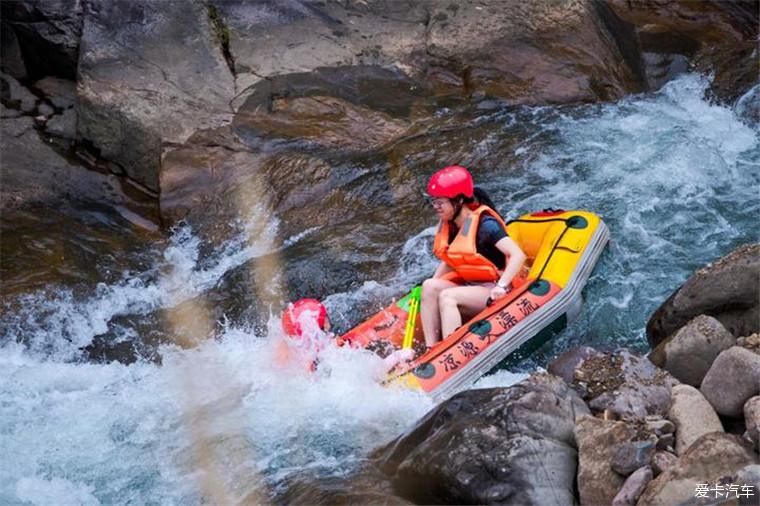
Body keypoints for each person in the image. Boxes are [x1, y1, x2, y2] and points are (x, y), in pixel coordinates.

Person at [421, 165, 527, 348]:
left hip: (496, 287)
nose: (435, 207)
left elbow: (518, 255)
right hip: (473, 286)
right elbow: (451, 260)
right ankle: (431, 348)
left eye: (440, 202)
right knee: (429, 285)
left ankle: (451, 350)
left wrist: (501, 286)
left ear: (459, 200)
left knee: (448, 296)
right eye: (433, 202)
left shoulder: (486, 226)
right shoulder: (452, 225)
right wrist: (431, 283)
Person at [276, 298, 414, 374]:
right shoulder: (328, 358)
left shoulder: (291, 356)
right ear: (320, 325)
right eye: (325, 318)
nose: (327, 319)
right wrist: (397, 356)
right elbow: (373, 372)